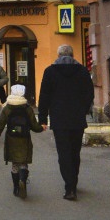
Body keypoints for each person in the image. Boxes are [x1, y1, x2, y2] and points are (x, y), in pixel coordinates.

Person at [37, 44, 94, 201]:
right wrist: (82, 110)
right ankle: (73, 182)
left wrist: (42, 119)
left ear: (58, 55)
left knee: (64, 153)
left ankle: (70, 187)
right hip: (77, 118)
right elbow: (89, 93)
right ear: (73, 54)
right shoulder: (82, 71)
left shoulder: (50, 72)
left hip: (59, 118)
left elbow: (44, 96)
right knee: (75, 152)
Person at [0, 84, 45, 199]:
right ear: (23, 93)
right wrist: (41, 127)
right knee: (23, 163)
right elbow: (34, 126)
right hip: (24, 139)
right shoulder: (27, 108)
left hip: (11, 138)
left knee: (15, 164)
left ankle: (16, 188)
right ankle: (23, 180)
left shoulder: (7, 108)